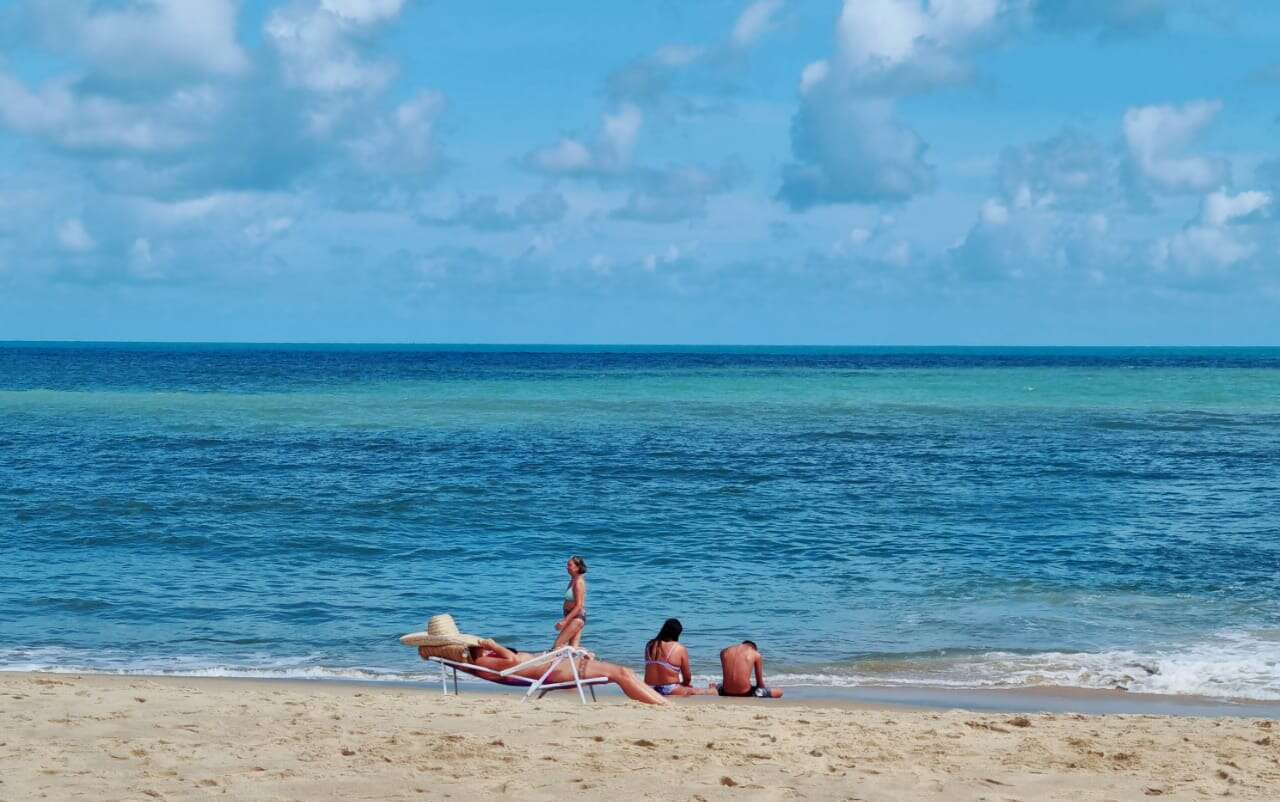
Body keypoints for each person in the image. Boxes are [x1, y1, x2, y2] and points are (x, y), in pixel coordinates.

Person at [417, 638, 668, 706]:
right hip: (555, 670)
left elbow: (517, 660)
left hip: (554, 665)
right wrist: (493, 646)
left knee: (623, 672)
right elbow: (514, 660)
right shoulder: (485, 662)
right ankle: (662, 705)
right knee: (621, 673)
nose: (480, 647)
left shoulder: (480, 662)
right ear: (467, 653)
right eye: (475, 647)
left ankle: (660, 702)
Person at [643, 618, 715, 697]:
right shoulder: (679, 648)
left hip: (649, 688)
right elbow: (687, 678)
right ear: (677, 633)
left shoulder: (649, 645)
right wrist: (683, 685)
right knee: (694, 691)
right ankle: (712, 690)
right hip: (670, 688)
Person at [715, 640, 783, 698]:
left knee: (718, 686)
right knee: (779, 692)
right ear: (754, 648)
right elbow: (760, 685)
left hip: (726, 691)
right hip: (745, 693)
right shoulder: (755, 654)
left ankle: (713, 690)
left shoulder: (724, 652)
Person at [553, 555, 588, 649]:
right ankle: (588, 656)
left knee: (557, 646)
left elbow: (579, 605)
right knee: (573, 648)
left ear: (577, 567)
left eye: (569, 565)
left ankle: (588, 656)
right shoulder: (573, 580)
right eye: (567, 565)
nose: (567, 567)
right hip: (571, 616)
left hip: (576, 618)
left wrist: (564, 621)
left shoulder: (578, 582)